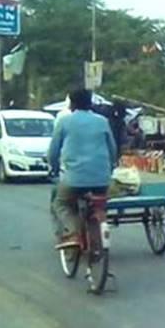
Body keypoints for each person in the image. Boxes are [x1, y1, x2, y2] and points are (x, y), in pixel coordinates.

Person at [48, 89, 118, 250]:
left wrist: (53, 167)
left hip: (74, 179)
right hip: (101, 179)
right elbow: (112, 149)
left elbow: (53, 151)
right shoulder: (102, 121)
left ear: (71, 104)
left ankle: (73, 233)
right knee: (98, 204)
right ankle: (98, 232)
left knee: (60, 203)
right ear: (90, 103)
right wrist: (111, 166)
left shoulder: (64, 121)